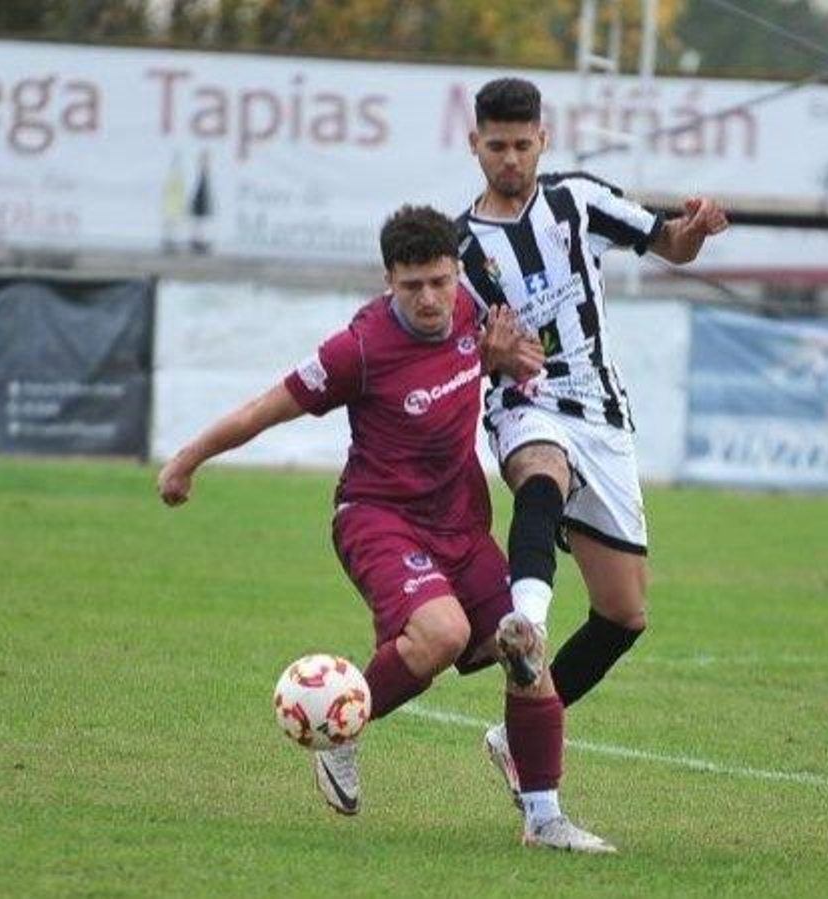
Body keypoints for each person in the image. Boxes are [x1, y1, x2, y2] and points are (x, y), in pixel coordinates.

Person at [156, 205, 615, 853]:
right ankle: (338, 730)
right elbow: (269, 406)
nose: (429, 299)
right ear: (387, 279)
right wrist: (186, 459)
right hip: (380, 518)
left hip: (458, 522)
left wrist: (503, 358)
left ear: (457, 273)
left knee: (522, 647)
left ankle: (543, 818)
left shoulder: (471, 316)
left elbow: (478, 364)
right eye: (412, 286)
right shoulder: (358, 349)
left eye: (440, 281)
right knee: (442, 634)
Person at [454, 78, 728, 791]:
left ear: (543, 139)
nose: (510, 159)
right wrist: (490, 356)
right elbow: (451, 353)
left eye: (522, 144)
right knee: (540, 474)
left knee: (624, 612)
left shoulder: (578, 200)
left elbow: (669, 243)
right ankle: (526, 622)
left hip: (602, 414)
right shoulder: (458, 252)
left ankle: (513, 734)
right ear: (473, 143)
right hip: (526, 404)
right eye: (496, 146)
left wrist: (694, 229)